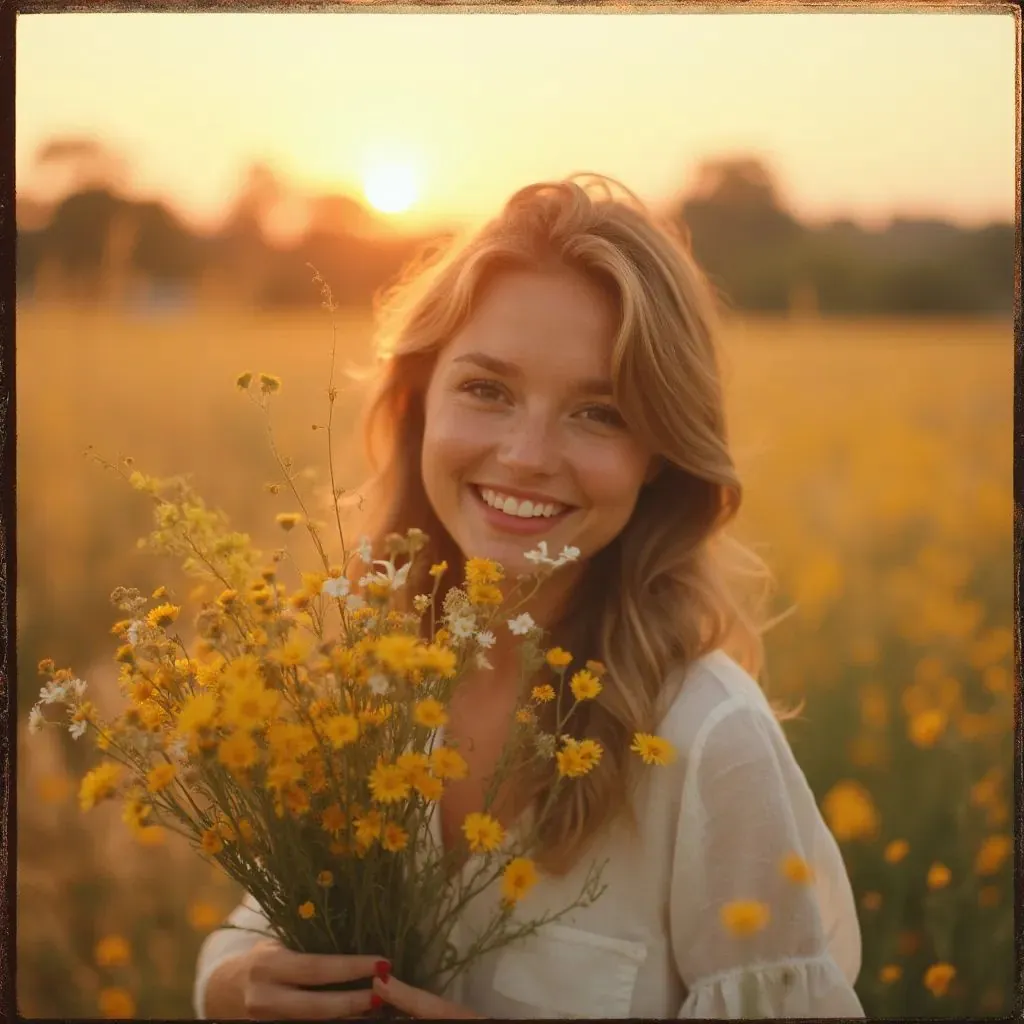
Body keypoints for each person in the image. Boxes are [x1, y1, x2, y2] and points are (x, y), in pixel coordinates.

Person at [194, 174, 865, 1019]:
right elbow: (261, 922)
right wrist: (227, 985)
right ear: (416, 401)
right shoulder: (358, 681)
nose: (526, 455)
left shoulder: (712, 745)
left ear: (658, 454)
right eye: (487, 390)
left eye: (600, 413)